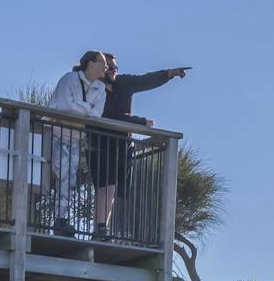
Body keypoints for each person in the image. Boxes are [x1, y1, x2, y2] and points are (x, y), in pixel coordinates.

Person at [92, 54, 191, 240]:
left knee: (113, 191)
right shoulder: (94, 88)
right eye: (109, 67)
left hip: (122, 145)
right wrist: (140, 121)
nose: (113, 71)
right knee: (104, 187)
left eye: (115, 68)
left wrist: (169, 74)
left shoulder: (123, 83)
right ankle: (100, 229)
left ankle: (102, 229)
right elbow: (107, 114)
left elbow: (145, 80)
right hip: (101, 143)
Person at [44, 50, 111, 237]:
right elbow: (64, 105)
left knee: (70, 179)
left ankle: (62, 220)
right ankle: (59, 219)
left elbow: (95, 115)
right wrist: (86, 108)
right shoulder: (70, 79)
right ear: (90, 63)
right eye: (102, 63)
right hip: (54, 133)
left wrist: (77, 107)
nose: (106, 67)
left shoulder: (100, 89)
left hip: (74, 138)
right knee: (55, 176)